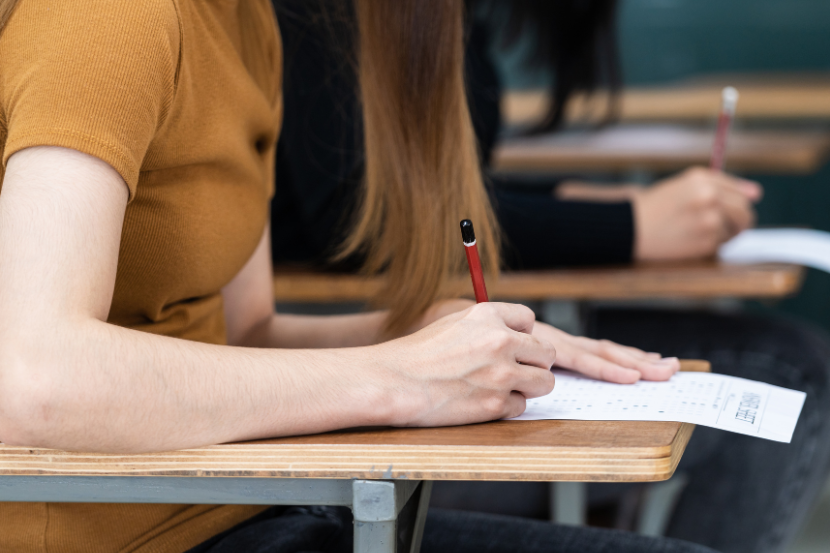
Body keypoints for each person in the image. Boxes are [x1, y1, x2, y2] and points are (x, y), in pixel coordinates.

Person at [0, 1, 715, 552]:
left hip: (246, 502)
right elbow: (30, 375)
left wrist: (424, 333)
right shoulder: (112, 18)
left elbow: (246, 329)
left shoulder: (248, 22)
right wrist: (398, 375)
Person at [268, 1, 830, 552]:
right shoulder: (316, 18)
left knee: (788, 368)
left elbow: (444, 194)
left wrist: (592, 204)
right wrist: (626, 224)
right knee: (786, 368)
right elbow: (360, 213)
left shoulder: (444, 19)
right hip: (351, 368)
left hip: (405, 336)